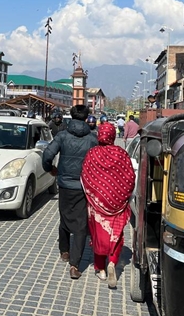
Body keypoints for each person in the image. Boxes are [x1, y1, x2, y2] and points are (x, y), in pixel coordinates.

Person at [42, 105, 97, 280]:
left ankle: (64, 252)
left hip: (64, 184)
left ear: (71, 116)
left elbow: (47, 154)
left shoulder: (62, 136)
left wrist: (50, 169)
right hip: (83, 186)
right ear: (87, 117)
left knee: (64, 216)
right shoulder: (92, 138)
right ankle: (75, 265)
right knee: (81, 224)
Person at [80, 122, 136, 289]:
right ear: (112, 135)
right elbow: (130, 179)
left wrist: (94, 195)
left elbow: (84, 178)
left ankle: (101, 269)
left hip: (96, 204)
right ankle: (112, 262)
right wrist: (121, 197)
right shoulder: (122, 154)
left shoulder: (92, 154)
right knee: (116, 234)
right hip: (118, 204)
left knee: (98, 234)